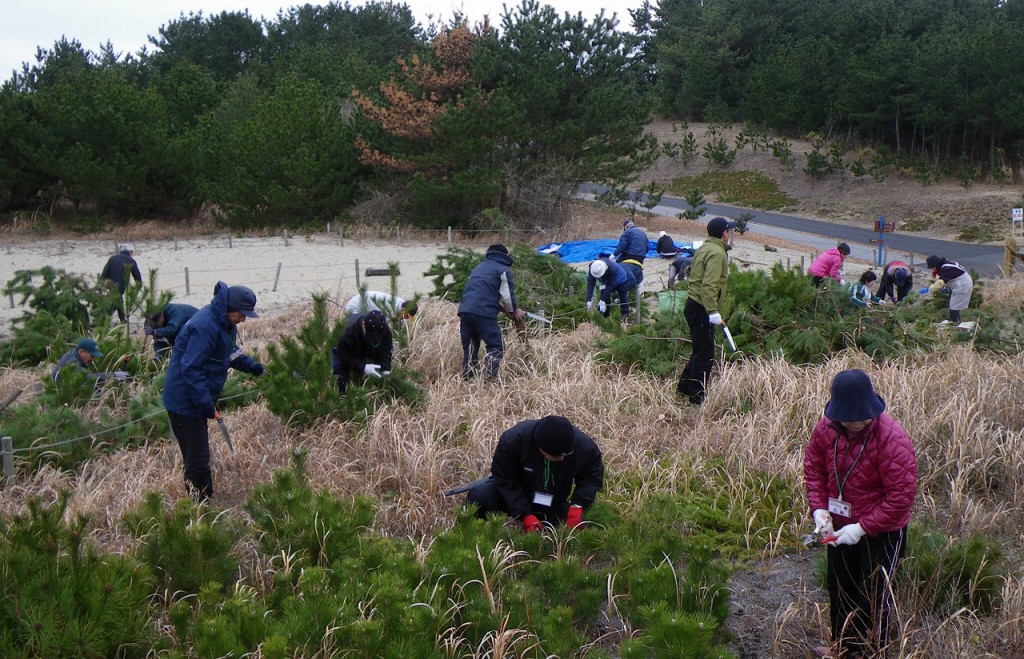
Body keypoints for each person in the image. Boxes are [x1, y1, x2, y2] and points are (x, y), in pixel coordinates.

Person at [804, 369, 917, 658]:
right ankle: (841, 648)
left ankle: (865, 653)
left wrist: (861, 528)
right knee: (839, 589)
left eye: (859, 417)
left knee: (872, 599)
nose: (855, 422)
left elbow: (900, 499)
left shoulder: (892, 438)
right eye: (848, 417)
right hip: (838, 529)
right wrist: (819, 509)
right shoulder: (826, 429)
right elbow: (814, 468)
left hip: (882, 534)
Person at [161, 282, 264, 502]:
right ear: (230, 306)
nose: (243, 319)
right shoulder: (204, 326)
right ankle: (201, 507)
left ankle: (200, 502)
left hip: (196, 400)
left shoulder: (226, 322)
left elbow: (229, 351)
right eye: (241, 314)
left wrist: (250, 365)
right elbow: (191, 368)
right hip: (184, 401)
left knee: (198, 454)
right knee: (197, 459)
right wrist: (206, 405)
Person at [465, 415, 604, 531]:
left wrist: (578, 505)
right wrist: (524, 514)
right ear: (540, 448)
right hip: (515, 496)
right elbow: (505, 479)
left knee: (589, 522)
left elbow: (591, 476)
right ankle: (474, 536)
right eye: (555, 457)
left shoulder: (584, 447)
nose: (562, 459)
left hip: (553, 502)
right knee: (480, 496)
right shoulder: (514, 440)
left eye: (566, 455)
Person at [677, 217, 736, 405]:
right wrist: (712, 311)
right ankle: (696, 396)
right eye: (728, 231)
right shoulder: (718, 253)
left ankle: (684, 387)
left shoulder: (705, 247)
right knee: (705, 354)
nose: (729, 234)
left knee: (700, 349)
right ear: (724, 233)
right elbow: (709, 284)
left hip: (694, 304)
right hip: (702, 307)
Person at [457, 244, 525, 380]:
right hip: (484, 312)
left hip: (465, 310)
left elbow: (480, 292)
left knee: (470, 347)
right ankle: (487, 380)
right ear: (505, 256)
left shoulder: (479, 267)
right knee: (496, 345)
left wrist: (500, 307)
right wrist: (513, 311)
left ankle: (468, 380)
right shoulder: (503, 269)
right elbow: (507, 296)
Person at [331, 309, 393, 393]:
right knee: (340, 373)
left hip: (363, 347)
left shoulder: (384, 329)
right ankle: (340, 395)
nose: (373, 339)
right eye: (370, 335)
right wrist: (363, 367)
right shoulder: (347, 332)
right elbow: (344, 355)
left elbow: (386, 350)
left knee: (374, 371)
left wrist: (385, 369)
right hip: (343, 349)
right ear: (363, 325)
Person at [50, 338, 128, 384]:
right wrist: (114, 375)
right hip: (61, 394)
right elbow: (88, 377)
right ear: (81, 352)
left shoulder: (75, 353)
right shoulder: (72, 362)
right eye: (92, 355)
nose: (93, 359)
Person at [925, 255, 974, 324]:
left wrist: (930, 289)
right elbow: (950, 277)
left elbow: (941, 281)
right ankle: (954, 321)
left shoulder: (946, 268)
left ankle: (956, 323)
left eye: (932, 267)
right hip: (959, 284)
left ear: (935, 264)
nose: (932, 269)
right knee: (953, 304)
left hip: (962, 285)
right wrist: (945, 287)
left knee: (954, 306)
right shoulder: (946, 264)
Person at [100, 243, 143, 322]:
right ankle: (103, 318)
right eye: (131, 252)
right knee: (117, 302)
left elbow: (105, 271)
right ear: (129, 252)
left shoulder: (112, 258)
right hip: (121, 284)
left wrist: (101, 282)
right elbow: (136, 275)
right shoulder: (131, 261)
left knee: (117, 300)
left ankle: (122, 319)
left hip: (111, 283)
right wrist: (139, 284)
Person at [613, 217, 649, 300]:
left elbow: (622, 245)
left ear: (625, 227)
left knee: (617, 266)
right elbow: (647, 248)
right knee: (637, 274)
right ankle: (639, 295)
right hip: (640, 259)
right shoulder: (643, 233)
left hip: (630, 256)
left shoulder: (627, 232)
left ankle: (616, 291)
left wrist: (614, 255)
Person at [343, 290, 417, 321]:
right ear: (403, 310)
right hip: (355, 308)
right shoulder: (389, 310)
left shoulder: (400, 303)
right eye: (406, 316)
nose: (405, 319)